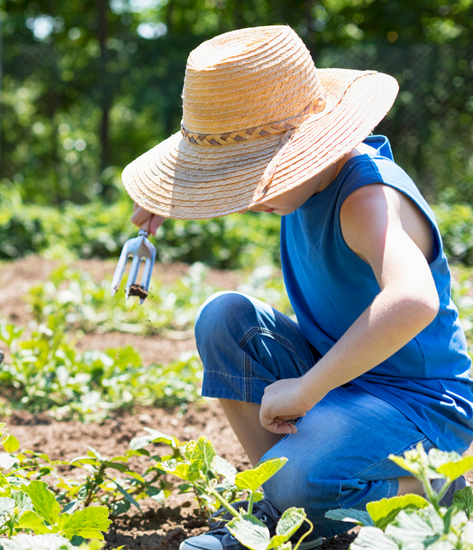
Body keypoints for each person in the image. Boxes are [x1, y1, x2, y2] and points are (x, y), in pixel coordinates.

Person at [121, 26, 473, 550]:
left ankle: (434, 488)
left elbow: (414, 300)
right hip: (345, 377)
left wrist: (309, 390)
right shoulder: (304, 185)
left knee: (302, 480)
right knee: (225, 318)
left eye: (250, 174)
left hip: (419, 404)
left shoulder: (365, 196)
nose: (245, 193)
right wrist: (182, 194)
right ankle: (283, 514)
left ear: (306, 148)